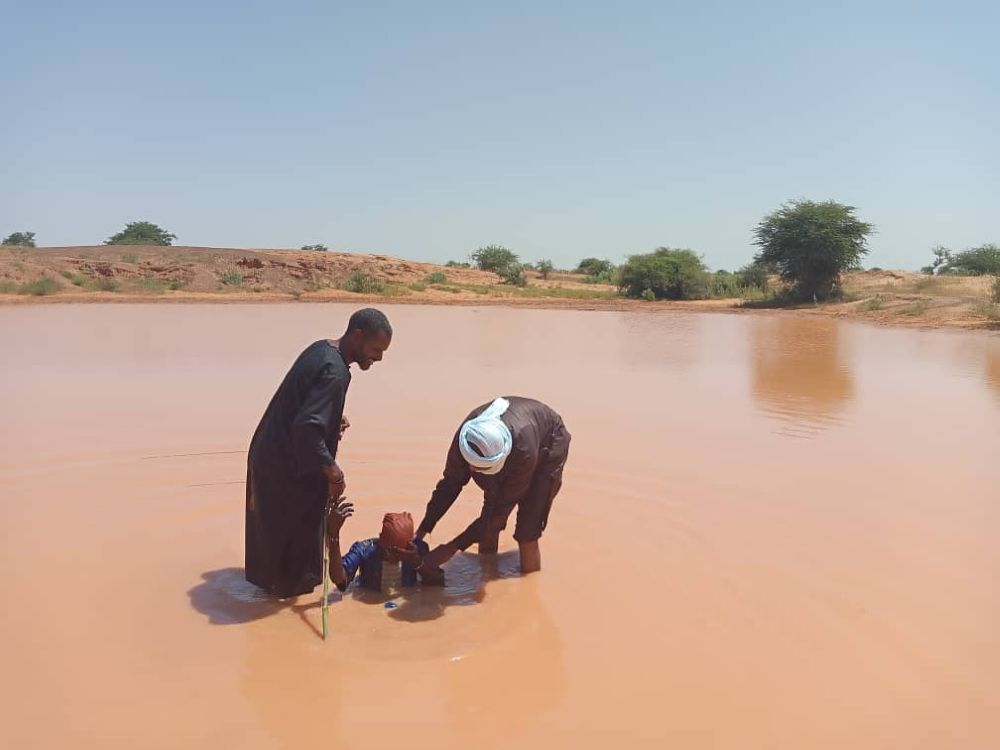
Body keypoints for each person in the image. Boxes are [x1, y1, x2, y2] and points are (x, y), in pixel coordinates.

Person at [244, 308, 392, 597]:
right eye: (376, 349)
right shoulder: (335, 372)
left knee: (279, 537)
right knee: (292, 541)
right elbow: (307, 428)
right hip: (286, 466)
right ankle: (280, 609)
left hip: (272, 452)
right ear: (357, 336)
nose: (379, 358)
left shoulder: (322, 350)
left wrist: (333, 417)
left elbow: (305, 408)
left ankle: (272, 598)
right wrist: (333, 470)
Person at [414, 396, 571, 578]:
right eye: (471, 464)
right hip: (517, 434)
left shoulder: (522, 454)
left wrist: (451, 548)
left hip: (548, 441)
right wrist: (422, 531)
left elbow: (499, 511)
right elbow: (450, 484)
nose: (472, 470)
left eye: (481, 468)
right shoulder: (466, 437)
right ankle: (486, 571)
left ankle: (529, 582)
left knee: (528, 528)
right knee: (489, 518)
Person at [324, 503, 431, 592]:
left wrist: (415, 561)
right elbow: (339, 580)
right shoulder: (365, 550)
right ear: (381, 541)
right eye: (391, 550)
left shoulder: (417, 551)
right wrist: (334, 535)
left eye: (401, 553)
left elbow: (437, 581)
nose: (395, 556)